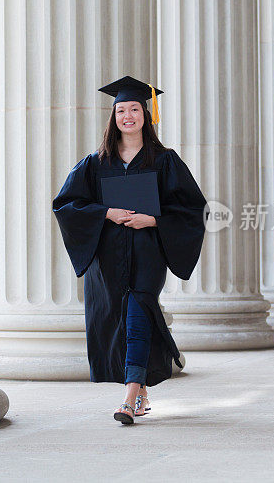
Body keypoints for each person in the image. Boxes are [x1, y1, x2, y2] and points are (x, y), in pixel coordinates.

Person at [52, 76, 208, 425]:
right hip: (107, 259)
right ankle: (143, 389)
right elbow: (66, 205)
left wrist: (152, 221)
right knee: (118, 323)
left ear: (146, 114)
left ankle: (129, 396)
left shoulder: (165, 161)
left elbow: (193, 209)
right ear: (114, 117)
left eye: (134, 109)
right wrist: (106, 212)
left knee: (138, 316)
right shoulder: (95, 162)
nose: (128, 116)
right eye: (121, 110)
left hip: (147, 254)